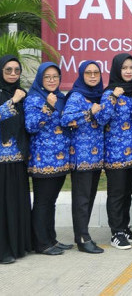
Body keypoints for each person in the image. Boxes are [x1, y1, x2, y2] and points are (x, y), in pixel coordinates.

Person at [24, 62, 72, 256]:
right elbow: (31, 126)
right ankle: (41, 243)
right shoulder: (34, 98)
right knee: (43, 202)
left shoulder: (60, 98)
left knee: (51, 201)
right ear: (40, 79)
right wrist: (47, 107)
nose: (52, 80)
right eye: (47, 77)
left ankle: (51, 238)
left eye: (55, 77)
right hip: (43, 160)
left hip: (60, 160)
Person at [96, 54, 132, 250]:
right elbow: (101, 119)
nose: (128, 71)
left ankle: (124, 227)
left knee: (127, 194)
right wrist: (114, 97)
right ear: (117, 70)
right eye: (124, 68)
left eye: (131, 67)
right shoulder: (109, 93)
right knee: (116, 194)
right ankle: (116, 232)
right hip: (115, 154)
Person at [61, 60, 105, 254]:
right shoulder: (77, 96)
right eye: (88, 73)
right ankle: (82, 237)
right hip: (81, 157)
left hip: (96, 158)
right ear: (81, 75)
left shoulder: (100, 95)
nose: (93, 76)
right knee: (82, 199)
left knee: (90, 196)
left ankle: (83, 234)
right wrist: (89, 113)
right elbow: (65, 119)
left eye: (96, 72)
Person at [0, 55, 32, 264]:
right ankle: (3, 250)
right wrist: (13, 101)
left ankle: (19, 246)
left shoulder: (22, 94)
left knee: (17, 203)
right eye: (8, 70)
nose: (13, 74)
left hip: (19, 158)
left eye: (16, 71)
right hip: (2, 161)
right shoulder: (11, 96)